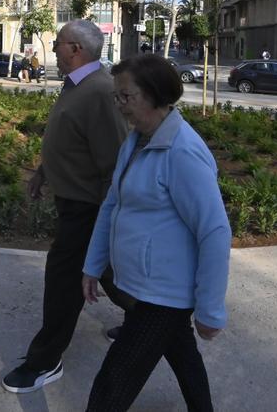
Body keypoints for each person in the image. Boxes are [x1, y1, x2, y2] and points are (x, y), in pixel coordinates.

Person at [82, 54, 231, 411]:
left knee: (113, 384)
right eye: (116, 97)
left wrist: (210, 310)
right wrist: (93, 264)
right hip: (144, 284)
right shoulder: (137, 141)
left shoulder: (183, 152)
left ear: (155, 95)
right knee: (182, 354)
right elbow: (112, 205)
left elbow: (214, 231)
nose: (119, 105)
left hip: (164, 294)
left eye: (126, 97)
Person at [1, 19, 131, 395]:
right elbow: (71, 139)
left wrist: (108, 220)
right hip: (75, 201)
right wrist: (44, 171)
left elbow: (114, 161)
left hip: (88, 208)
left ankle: (45, 361)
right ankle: (152, 321)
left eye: (58, 44)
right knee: (107, 274)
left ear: (76, 49)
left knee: (62, 282)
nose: (53, 49)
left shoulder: (100, 91)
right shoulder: (77, 85)